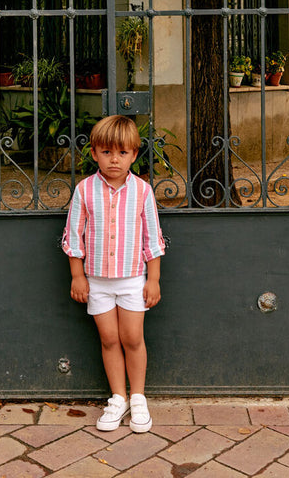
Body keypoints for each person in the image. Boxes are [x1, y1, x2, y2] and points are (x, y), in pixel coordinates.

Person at [62, 114, 165, 433]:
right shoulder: (84, 190)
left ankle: (138, 398)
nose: (114, 159)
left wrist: (153, 279)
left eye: (122, 152)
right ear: (94, 153)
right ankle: (118, 397)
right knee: (109, 339)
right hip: (97, 283)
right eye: (106, 152)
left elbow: (152, 238)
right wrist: (78, 276)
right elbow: (74, 236)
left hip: (133, 280)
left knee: (132, 338)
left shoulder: (143, 191)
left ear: (134, 154)